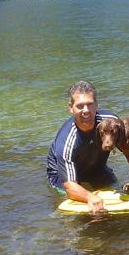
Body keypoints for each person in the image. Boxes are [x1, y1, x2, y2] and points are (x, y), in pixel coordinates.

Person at [47, 81, 118, 214]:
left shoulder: (111, 122)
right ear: (71, 107)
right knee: (70, 210)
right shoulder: (66, 140)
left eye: (90, 104)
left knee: (116, 189)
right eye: (80, 106)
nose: (86, 110)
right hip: (62, 175)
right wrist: (89, 197)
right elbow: (69, 185)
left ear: (96, 104)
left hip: (96, 167)